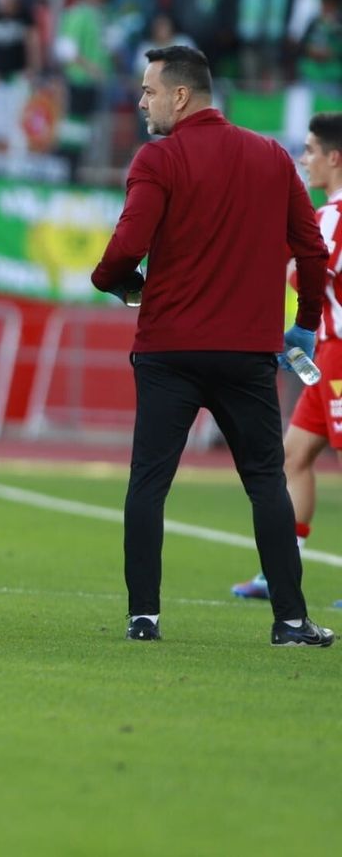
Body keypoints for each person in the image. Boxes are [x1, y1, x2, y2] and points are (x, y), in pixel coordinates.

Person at [91, 45, 334, 646]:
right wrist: (303, 324)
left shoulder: (159, 159)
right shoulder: (272, 157)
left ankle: (144, 617)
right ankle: (291, 620)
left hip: (169, 350)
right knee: (265, 483)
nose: (142, 100)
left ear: (180, 95)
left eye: (149, 91)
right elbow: (312, 250)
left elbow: (126, 247)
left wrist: (115, 282)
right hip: (246, 353)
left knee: (149, 483)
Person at [233, 113, 342, 602]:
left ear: (334, 158)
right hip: (326, 357)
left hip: (339, 357)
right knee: (293, 455)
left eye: (312, 150)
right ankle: (281, 569)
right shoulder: (323, 217)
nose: (305, 160)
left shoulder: (333, 218)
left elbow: (311, 274)